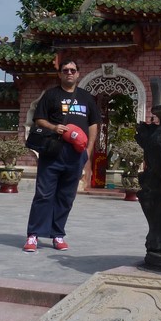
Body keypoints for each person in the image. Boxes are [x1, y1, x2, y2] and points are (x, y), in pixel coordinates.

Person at [23, 60, 100, 253]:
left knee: (66, 196)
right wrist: (53, 127)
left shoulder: (86, 98)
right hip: (53, 151)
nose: (69, 73)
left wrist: (87, 152)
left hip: (76, 155)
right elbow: (39, 119)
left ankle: (58, 234)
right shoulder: (51, 95)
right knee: (44, 194)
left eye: (73, 70)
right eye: (65, 70)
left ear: (78, 73)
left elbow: (93, 125)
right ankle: (33, 235)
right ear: (60, 74)